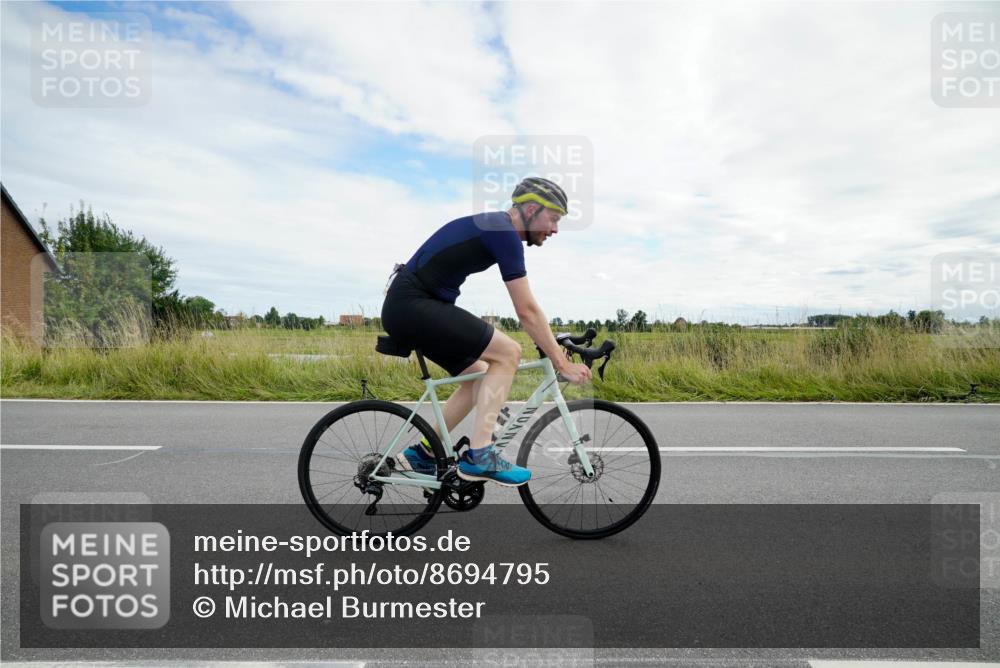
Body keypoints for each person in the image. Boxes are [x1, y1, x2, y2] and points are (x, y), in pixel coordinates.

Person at [381, 177, 592, 487]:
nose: (555, 229)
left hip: (411, 307)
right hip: (412, 306)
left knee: (478, 374)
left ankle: (423, 454)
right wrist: (561, 362)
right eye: (554, 218)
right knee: (508, 352)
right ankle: (481, 456)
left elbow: (530, 310)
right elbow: (527, 311)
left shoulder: (499, 229)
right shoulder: (503, 231)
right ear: (532, 209)